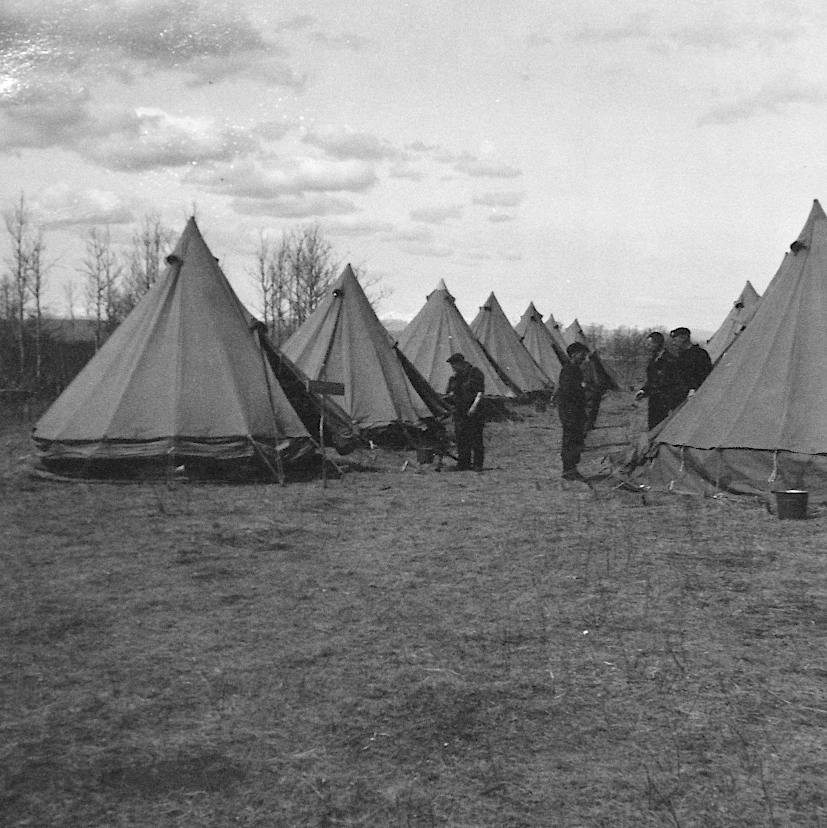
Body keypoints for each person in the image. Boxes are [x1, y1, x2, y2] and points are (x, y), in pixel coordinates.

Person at [554, 341, 590, 482]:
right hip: (570, 410)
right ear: (574, 354)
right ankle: (568, 470)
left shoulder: (575, 369)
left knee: (576, 439)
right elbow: (568, 391)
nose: (584, 357)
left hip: (576, 410)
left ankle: (572, 468)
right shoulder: (568, 370)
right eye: (582, 354)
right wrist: (582, 389)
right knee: (570, 439)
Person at [445, 352, 485, 471]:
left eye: (454, 365)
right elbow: (450, 392)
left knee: (476, 438)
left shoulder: (475, 373)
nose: (453, 368)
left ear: (461, 363)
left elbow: (480, 392)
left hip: (474, 410)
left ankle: (477, 464)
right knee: (461, 437)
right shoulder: (456, 377)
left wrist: (473, 407)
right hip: (460, 410)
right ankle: (463, 463)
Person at [635, 331, 681, 430]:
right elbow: (652, 379)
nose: (647, 346)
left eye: (649, 344)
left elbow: (666, 381)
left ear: (657, 344)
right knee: (653, 426)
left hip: (665, 399)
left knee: (662, 426)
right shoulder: (654, 358)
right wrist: (643, 391)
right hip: (655, 398)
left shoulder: (669, 360)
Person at [669, 327, 712, 405]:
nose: (673, 343)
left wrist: (693, 388)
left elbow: (705, 374)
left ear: (683, 338)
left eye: (675, 340)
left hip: (697, 396)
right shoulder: (680, 357)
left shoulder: (699, 354)